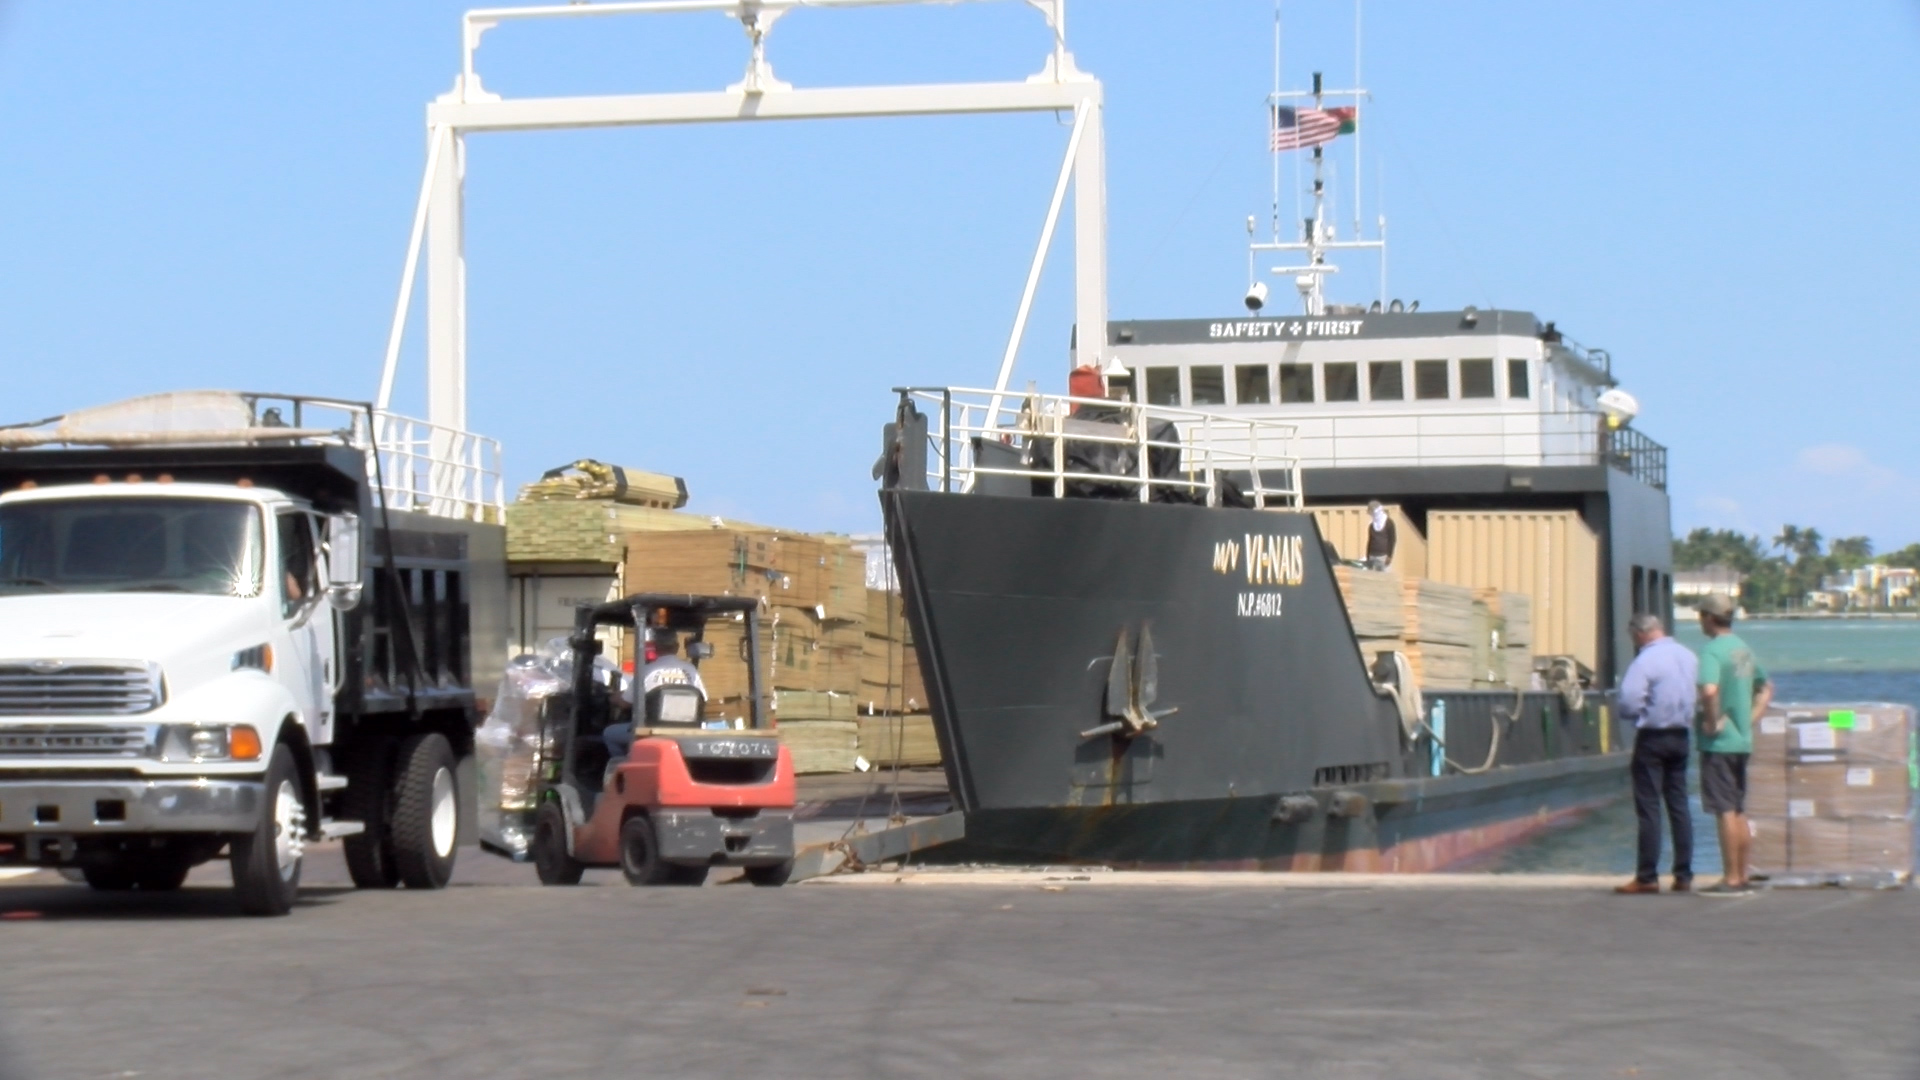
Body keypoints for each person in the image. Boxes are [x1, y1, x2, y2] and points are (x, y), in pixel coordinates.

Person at [1612, 613, 1698, 894]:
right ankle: (1683, 875)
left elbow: (1628, 700)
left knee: (1649, 807)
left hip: (1653, 737)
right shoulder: (1688, 656)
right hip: (1681, 735)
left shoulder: (1645, 660)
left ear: (1639, 634)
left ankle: (1647, 876)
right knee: (1679, 805)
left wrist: (1638, 714)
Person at [1694, 593, 1771, 896]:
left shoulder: (1712, 650)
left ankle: (1731, 878)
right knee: (1738, 809)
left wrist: (1711, 722)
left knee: (1724, 809)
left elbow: (1709, 690)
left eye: (1701, 615)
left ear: (1709, 618)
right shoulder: (1743, 649)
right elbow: (1765, 688)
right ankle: (1742, 873)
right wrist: (1748, 720)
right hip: (1741, 740)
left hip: (1720, 743)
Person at [602, 631, 708, 760]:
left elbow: (625, 703)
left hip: (652, 731)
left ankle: (623, 765)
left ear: (656, 647)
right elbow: (703, 698)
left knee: (609, 733)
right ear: (677, 647)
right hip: (686, 730)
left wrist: (613, 698)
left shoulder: (647, 670)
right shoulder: (691, 670)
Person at [1365, 501, 1396, 570]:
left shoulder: (1389, 523)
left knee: (1384, 576)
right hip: (1372, 556)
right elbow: (1370, 541)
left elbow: (1392, 540)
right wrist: (1368, 556)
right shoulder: (1371, 525)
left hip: (1383, 557)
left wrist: (1389, 556)